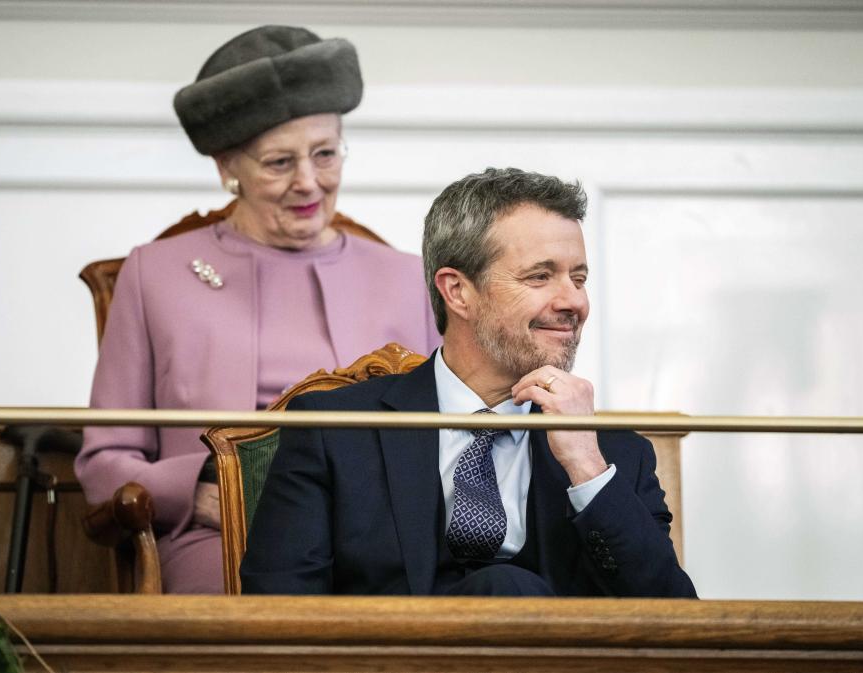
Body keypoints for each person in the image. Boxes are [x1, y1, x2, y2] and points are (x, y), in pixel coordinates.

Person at [75, 25, 441, 594]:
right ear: (228, 167)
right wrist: (192, 493)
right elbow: (105, 461)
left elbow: (458, 436)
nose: (308, 183)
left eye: (325, 154)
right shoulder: (155, 274)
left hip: (382, 546)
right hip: (223, 540)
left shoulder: (405, 278)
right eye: (278, 162)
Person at [242, 167, 697, 597]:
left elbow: (673, 624)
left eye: (579, 279)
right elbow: (278, 613)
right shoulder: (336, 430)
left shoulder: (615, 455)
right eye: (540, 276)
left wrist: (587, 470)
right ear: (457, 290)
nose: (574, 301)